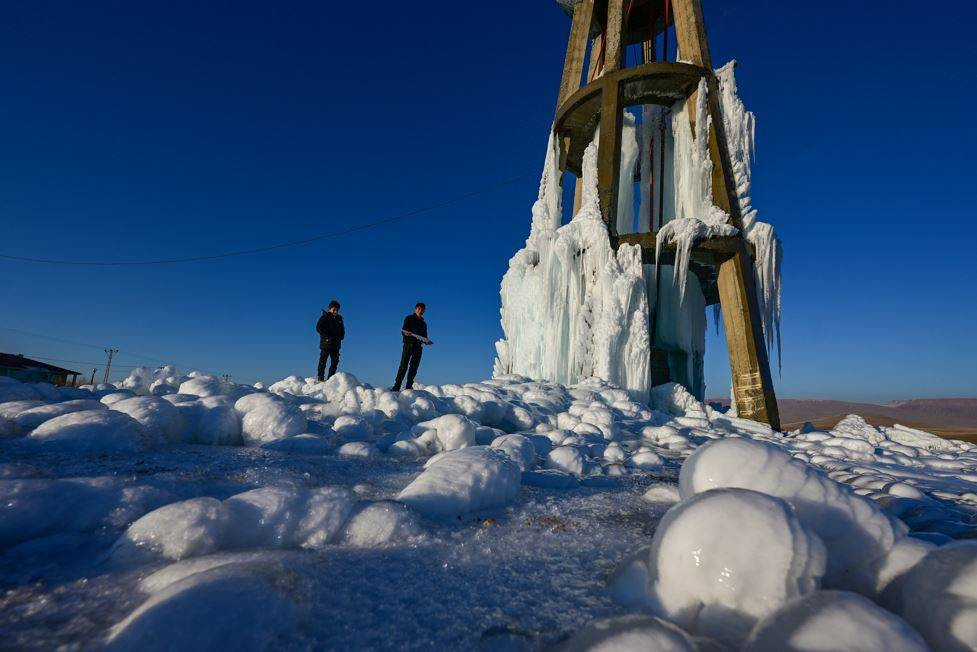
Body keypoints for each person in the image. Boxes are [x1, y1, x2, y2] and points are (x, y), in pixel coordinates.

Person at [391, 302, 432, 391]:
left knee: (414, 367)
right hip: (408, 344)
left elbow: (424, 337)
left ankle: (409, 386)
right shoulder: (409, 318)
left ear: (424, 311)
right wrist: (405, 333)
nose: (420, 311)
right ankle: (396, 386)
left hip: (418, 347)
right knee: (403, 365)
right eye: (419, 309)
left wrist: (427, 341)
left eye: (422, 310)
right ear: (415, 309)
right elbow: (403, 330)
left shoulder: (424, 324)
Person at [316, 300, 345, 381]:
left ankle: (330, 379)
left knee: (335, 362)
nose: (336, 311)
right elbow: (318, 327)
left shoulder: (339, 319)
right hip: (326, 343)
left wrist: (341, 336)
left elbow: (342, 329)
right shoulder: (325, 317)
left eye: (337, 310)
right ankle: (320, 377)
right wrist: (326, 335)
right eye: (334, 309)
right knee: (323, 360)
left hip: (336, 344)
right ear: (330, 309)